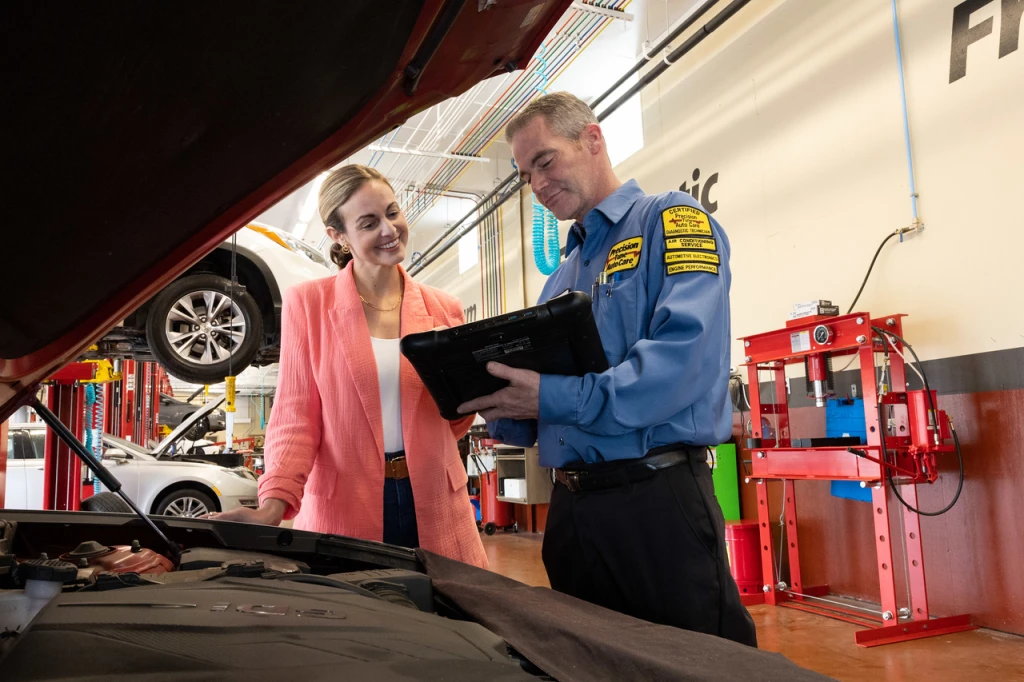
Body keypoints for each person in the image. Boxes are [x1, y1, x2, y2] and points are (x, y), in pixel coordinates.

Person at [458, 92, 756, 644]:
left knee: (698, 664)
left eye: (544, 161)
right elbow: (544, 407)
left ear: (592, 139)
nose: (537, 185)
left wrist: (549, 397)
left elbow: (682, 362)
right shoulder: (560, 277)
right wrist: (490, 397)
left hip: (656, 502)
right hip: (571, 512)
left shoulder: (672, 220)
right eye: (525, 175)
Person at [208, 164, 487, 568]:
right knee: (354, 604)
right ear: (338, 235)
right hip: (344, 504)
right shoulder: (309, 304)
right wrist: (272, 506)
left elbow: (457, 417)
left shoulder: (444, 308)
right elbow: (295, 417)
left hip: (436, 499)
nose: (389, 230)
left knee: (442, 603)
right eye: (369, 223)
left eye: (392, 212)